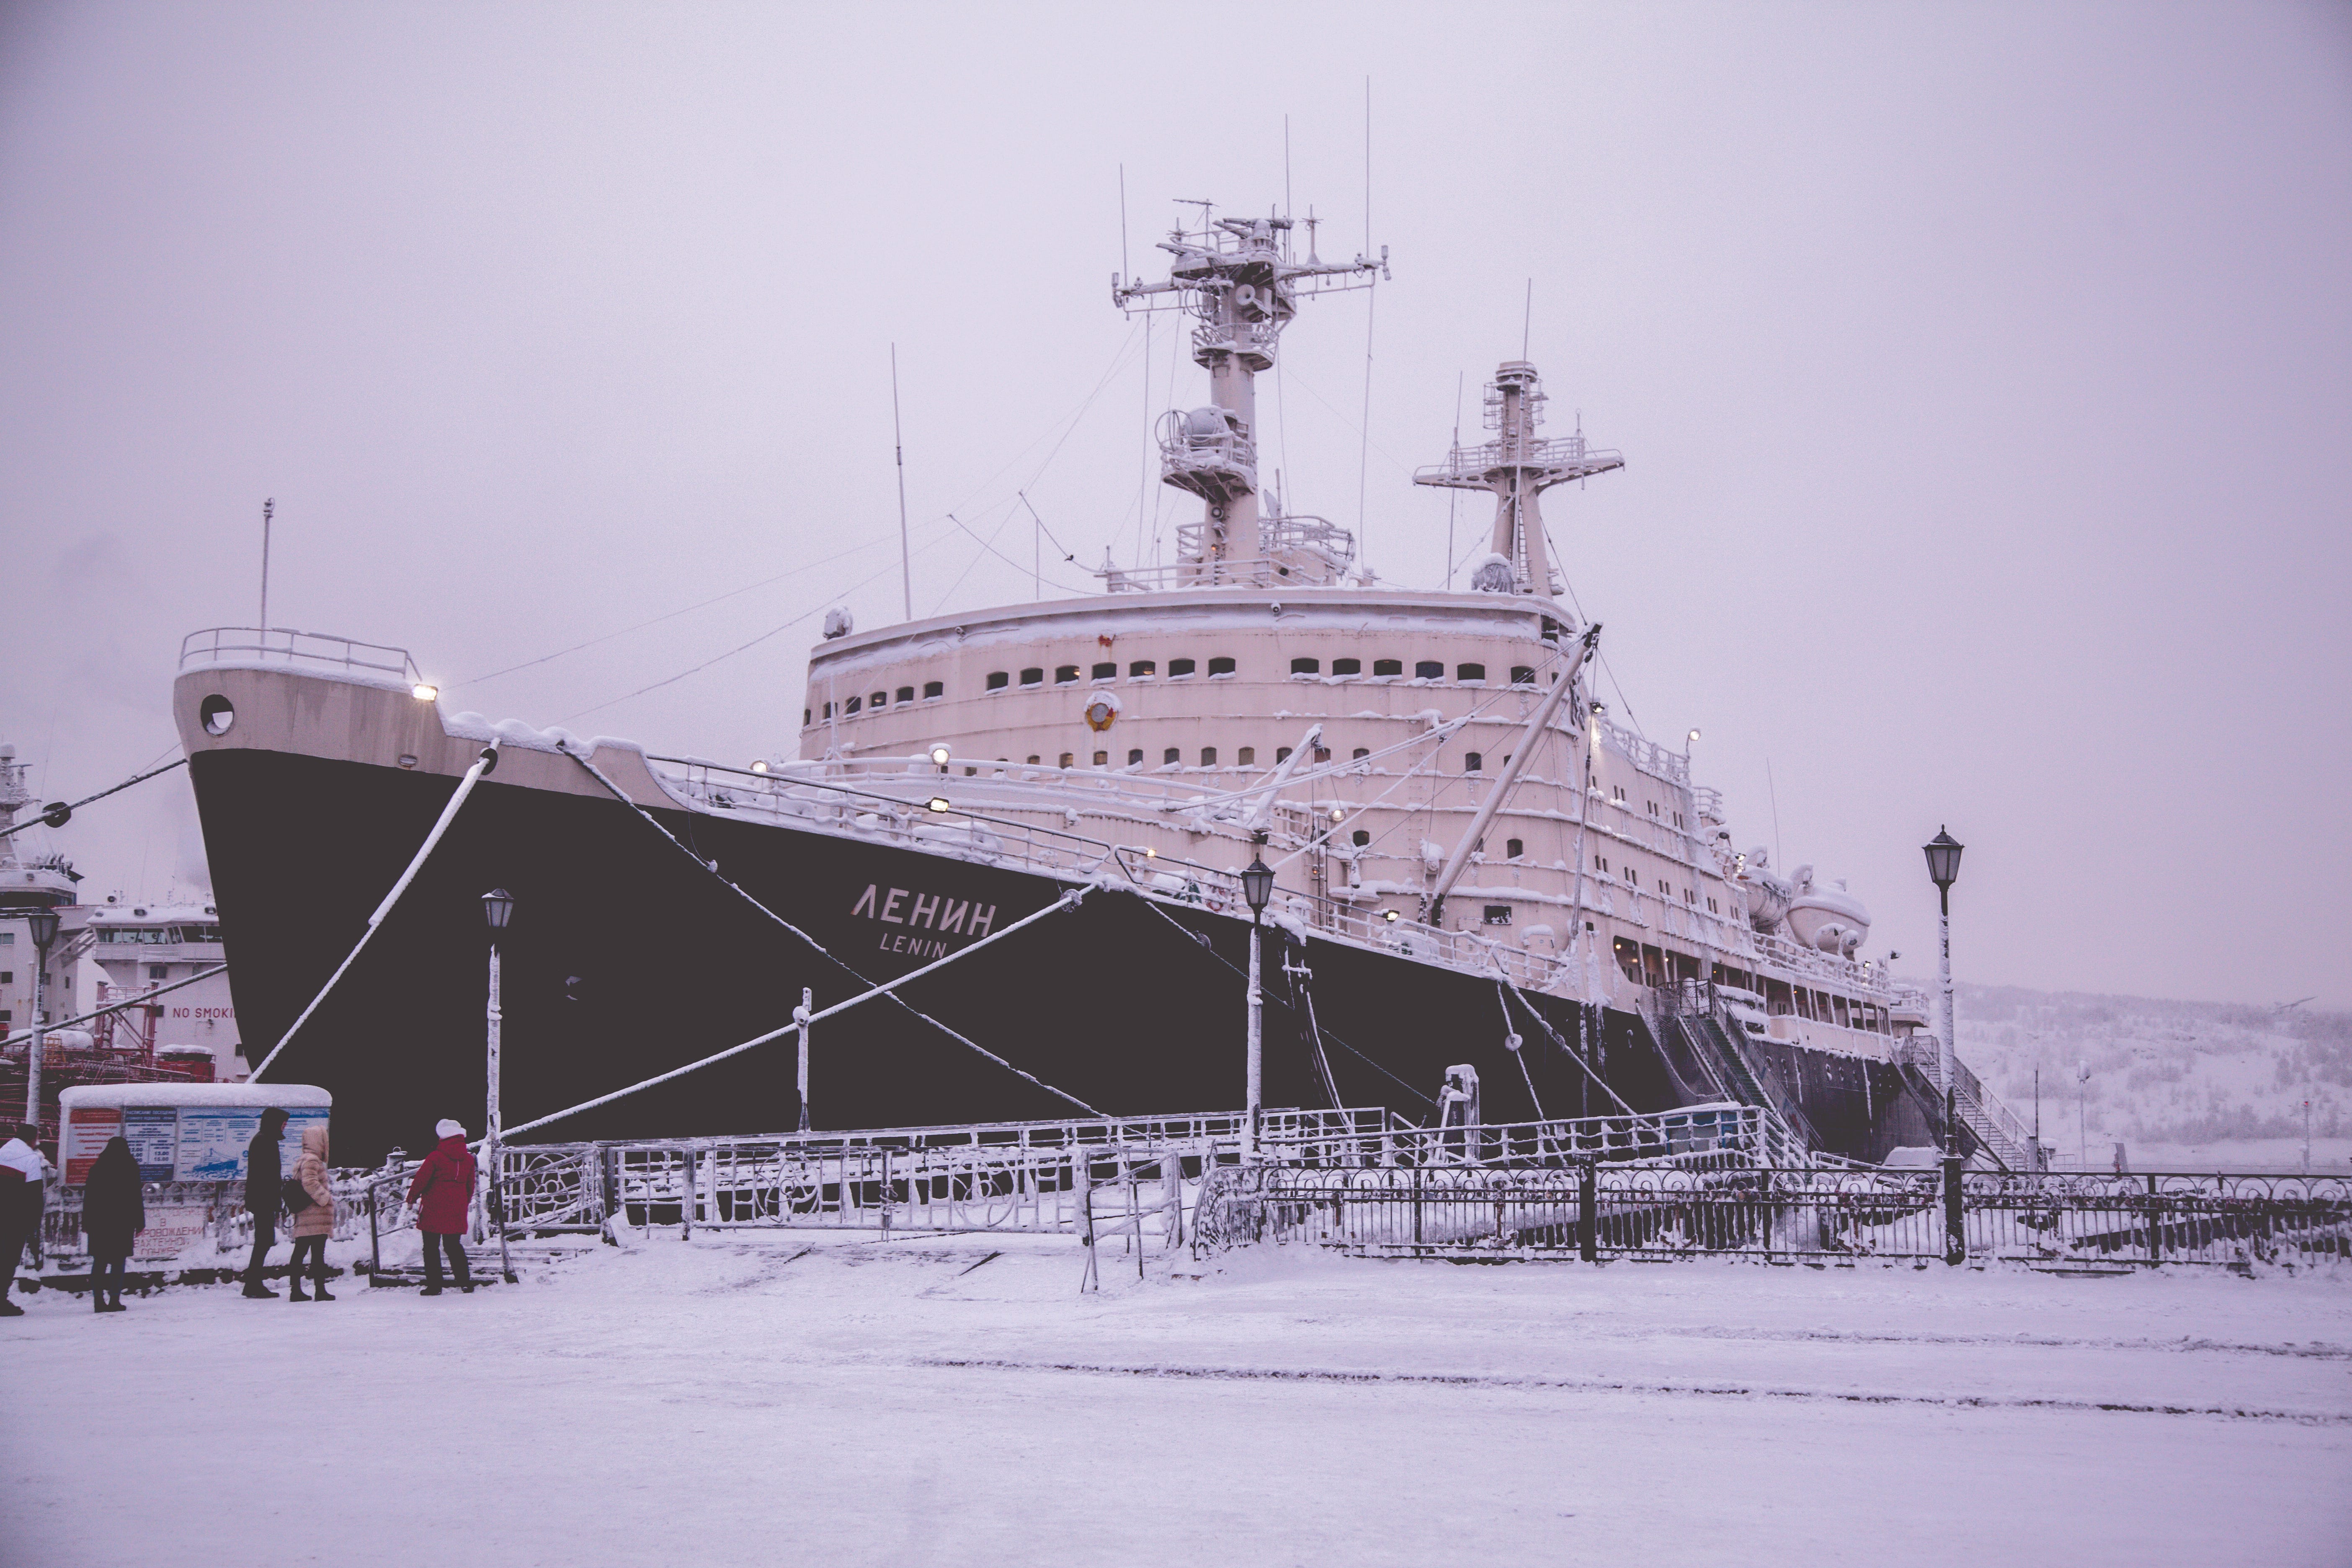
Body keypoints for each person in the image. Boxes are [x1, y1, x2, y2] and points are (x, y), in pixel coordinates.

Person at [405, 1119, 475, 1296]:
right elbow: (470, 1186)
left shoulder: (436, 1157)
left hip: (434, 1207)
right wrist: (463, 1203)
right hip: (457, 1207)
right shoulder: (467, 1159)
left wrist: (412, 1197)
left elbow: (421, 1179)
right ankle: (465, 1282)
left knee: (431, 1247)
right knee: (453, 1246)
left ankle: (435, 1286)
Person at [82, 1133, 144, 1313]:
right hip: (122, 1223)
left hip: (99, 1223)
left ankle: (98, 1302)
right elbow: (135, 1197)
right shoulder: (130, 1167)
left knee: (99, 1262)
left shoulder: (97, 1168)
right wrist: (139, 1223)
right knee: (118, 1263)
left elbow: (89, 1198)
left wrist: (87, 1222)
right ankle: (115, 1301)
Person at [0, 1123, 49, 1318]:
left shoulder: (2, 1153)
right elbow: (34, 1194)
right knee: (8, 1259)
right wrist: (33, 1222)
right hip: (15, 1219)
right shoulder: (30, 1160)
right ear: (32, 1139)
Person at [242, 1106, 290, 1299]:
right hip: (263, 1199)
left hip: (263, 1198)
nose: (284, 1128)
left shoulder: (264, 1139)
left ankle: (252, 1283)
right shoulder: (265, 1141)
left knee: (264, 1241)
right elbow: (266, 1176)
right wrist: (274, 1198)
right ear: (275, 1124)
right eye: (283, 1124)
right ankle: (253, 1283)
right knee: (264, 1241)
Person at [286, 1124, 335, 1302]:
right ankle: (319, 1291)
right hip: (314, 1214)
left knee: (300, 1252)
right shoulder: (313, 1160)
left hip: (306, 1215)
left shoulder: (303, 1159)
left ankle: (296, 1290)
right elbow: (309, 1183)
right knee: (317, 1254)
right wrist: (325, 1198)